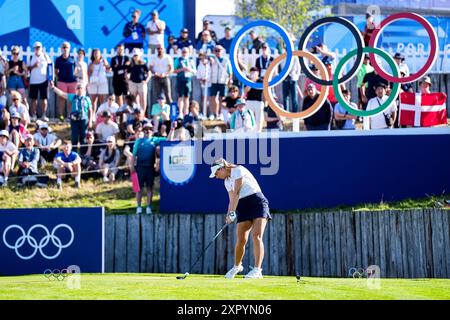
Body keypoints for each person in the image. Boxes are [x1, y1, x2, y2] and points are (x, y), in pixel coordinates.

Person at [209, 158, 271, 279]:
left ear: (222, 168)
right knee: (241, 239)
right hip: (242, 205)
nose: (216, 177)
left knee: (256, 236)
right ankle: (237, 266)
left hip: (257, 203)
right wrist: (229, 214)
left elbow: (237, 192)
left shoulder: (238, 170)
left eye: (216, 173)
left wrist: (233, 213)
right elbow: (232, 199)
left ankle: (258, 270)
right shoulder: (226, 182)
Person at [131, 122, 166, 214]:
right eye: (146, 129)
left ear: (152, 130)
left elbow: (168, 139)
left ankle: (148, 207)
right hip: (140, 168)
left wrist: (172, 129)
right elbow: (133, 155)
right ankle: (138, 207)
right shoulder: (139, 141)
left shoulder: (155, 140)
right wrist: (131, 166)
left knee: (149, 188)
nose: (148, 131)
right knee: (139, 189)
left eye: (150, 129)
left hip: (150, 167)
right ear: (143, 131)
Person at [50, 82, 94, 146]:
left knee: (83, 137)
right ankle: (74, 152)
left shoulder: (87, 99)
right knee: (74, 137)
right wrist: (53, 88)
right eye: (77, 88)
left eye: (80, 88)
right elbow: (62, 94)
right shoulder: (73, 97)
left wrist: (90, 121)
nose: (79, 89)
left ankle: (83, 153)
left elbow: (90, 110)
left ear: (84, 89)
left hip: (84, 119)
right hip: (74, 119)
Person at [28, 41, 51, 122]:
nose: (37, 49)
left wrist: (50, 80)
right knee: (34, 99)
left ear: (41, 48)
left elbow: (50, 68)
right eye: (36, 48)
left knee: (44, 99)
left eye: (39, 47)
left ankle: (44, 115)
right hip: (33, 81)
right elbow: (28, 69)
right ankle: (33, 115)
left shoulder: (45, 56)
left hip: (44, 81)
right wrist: (34, 66)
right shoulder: (31, 57)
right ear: (34, 49)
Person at [208, 45, 232, 120]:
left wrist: (229, 80)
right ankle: (214, 113)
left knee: (222, 98)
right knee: (213, 97)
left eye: (219, 50)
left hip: (223, 81)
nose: (218, 52)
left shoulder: (226, 60)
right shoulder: (212, 59)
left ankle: (221, 113)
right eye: (216, 50)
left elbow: (230, 71)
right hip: (214, 81)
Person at [55, 42, 77, 121]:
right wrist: (59, 78)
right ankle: (61, 116)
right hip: (62, 82)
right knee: (61, 99)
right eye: (63, 47)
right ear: (61, 48)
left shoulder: (73, 59)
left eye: (66, 47)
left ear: (69, 48)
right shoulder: (58, 59)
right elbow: (55, 70)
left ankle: (69, 116)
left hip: (72, 82)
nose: (65, 49)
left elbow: (76, 70)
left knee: (71, 100)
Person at [173, 47, 196, 117]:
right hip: (180, 79)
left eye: (186, 52)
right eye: (183, 52)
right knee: (180, 97)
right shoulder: (178, 60)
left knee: (187, 97)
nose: (184, 53)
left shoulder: (191, 61)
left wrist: (189, 70)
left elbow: (194, 71)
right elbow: (174, 70)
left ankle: (186, 112)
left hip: (188, 80)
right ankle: (180, 112)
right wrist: (182, 69)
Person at [127, 48, 151, 114]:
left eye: (136, 55)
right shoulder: (131, 64)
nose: (135, 57)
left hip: (141, 83)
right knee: (134, 99)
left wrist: (146, 80)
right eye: (134, 55)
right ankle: (136, 113)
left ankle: (142, 113)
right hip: (133, 83)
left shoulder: (143, 64)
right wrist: (128, 80)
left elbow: (149, 72)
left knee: (143, 99)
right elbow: (127, 73)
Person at [243, 68, 264, 132]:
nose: (253, 74)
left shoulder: (261, 81)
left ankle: (259, 131)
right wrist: (251, 81)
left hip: (259, 101)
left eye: (254, 72)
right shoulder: (247, 80)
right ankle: (249, 131)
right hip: (249, 101)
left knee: (259, 118)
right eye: (251, 72)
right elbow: (246, 90)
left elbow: (263, 90)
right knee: (249, 117)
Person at [196, 51, 211, 116]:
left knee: (209, 98)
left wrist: (207, 79)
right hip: (203, 84)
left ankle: (209, 113)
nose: (202, 58)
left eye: (203, 56)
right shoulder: (199, 65)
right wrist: (202, 80)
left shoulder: (209, 63)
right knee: (204, 98)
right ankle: (203, 113)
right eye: (200, 56)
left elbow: (211, 73)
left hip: (210, 83)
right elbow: (198, 75)